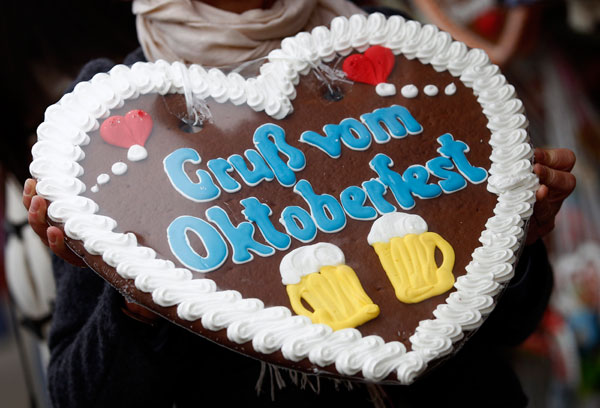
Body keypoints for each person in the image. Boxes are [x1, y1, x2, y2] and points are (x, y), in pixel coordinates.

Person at [22, 1, 577, 406]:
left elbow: (513, 323)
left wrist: (515, 240)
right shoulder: (111, 116)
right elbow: (81, 395)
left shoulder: (390, 56)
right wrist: (142, 296)